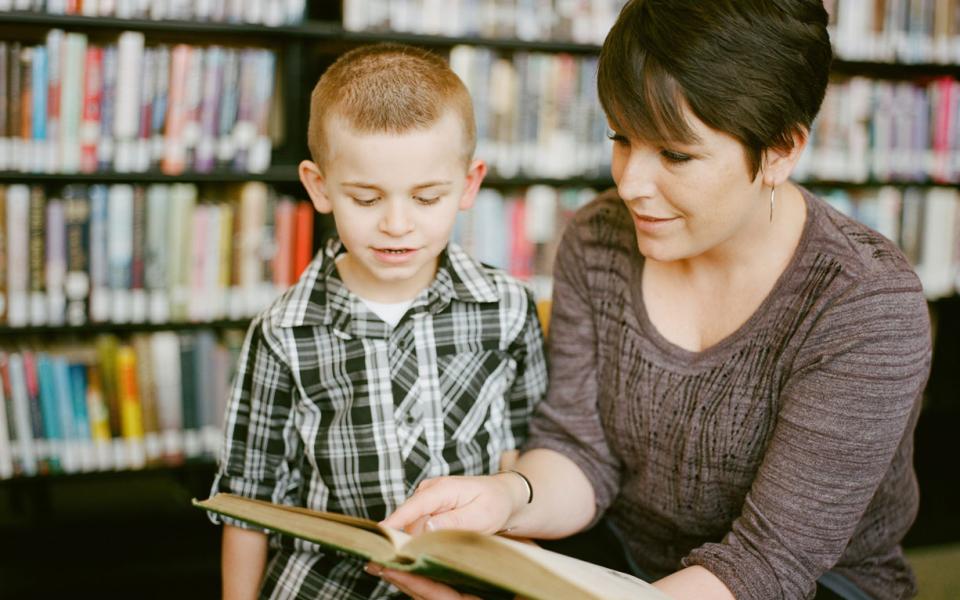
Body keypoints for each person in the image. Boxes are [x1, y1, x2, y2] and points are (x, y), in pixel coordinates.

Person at [375, 1, 932, 599]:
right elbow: (579, 452)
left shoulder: (864, 303)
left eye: (675, 155)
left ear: (780, 150)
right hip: (620, 564)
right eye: (621, 138)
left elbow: (768, 564)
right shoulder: (597, 239)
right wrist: (507, 498)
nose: (629, 183)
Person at [209, 43, 548, 600]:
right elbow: (247, 500)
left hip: (468, 582)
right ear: (319, 187)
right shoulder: (283, 332)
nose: (396, 224)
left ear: (468, 184)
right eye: (366, 199)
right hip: (325, 585)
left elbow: (524, 450)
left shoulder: (507, 307)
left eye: (426, 197)